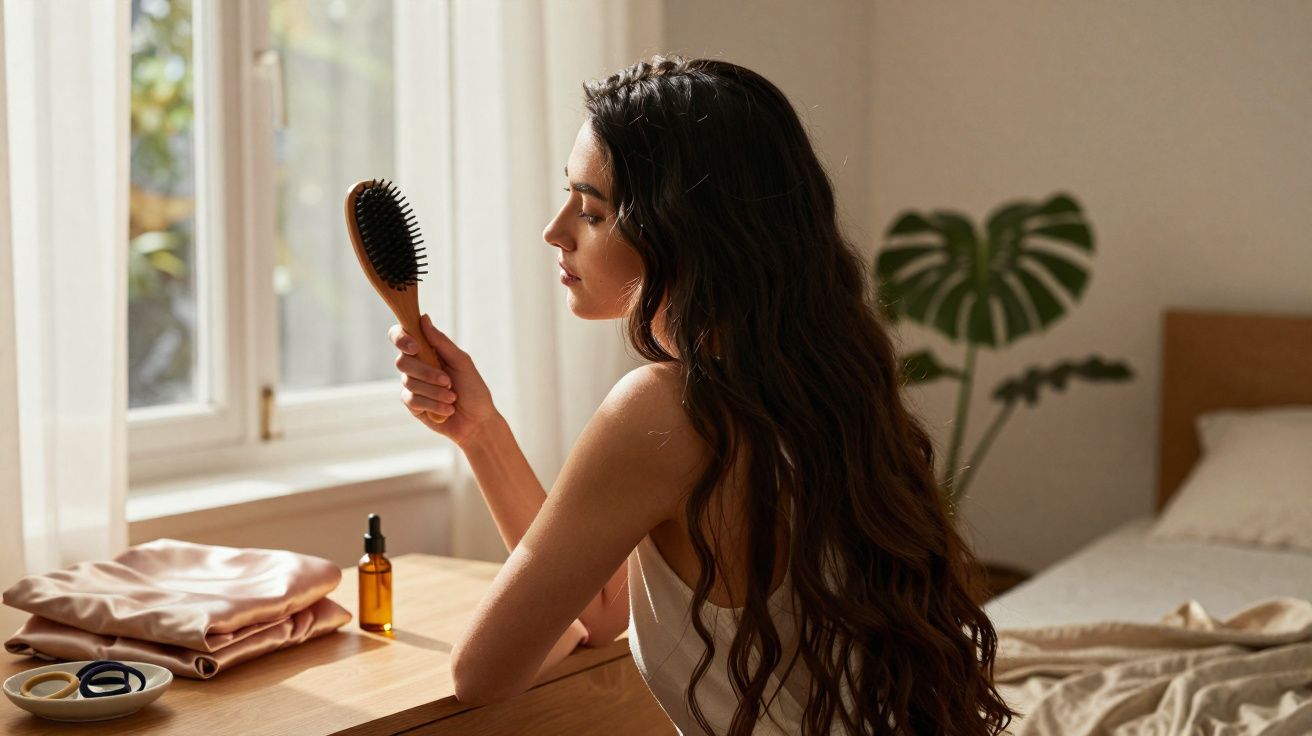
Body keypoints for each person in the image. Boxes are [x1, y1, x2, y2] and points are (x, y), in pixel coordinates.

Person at [388, 55, 1015, 736]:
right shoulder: (826, 388)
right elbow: (601, 615)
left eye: (591, 211)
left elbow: (481, 672)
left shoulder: (665, 408)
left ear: (681, 232)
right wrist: (481, 432)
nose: (556, 230)